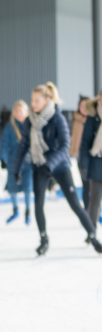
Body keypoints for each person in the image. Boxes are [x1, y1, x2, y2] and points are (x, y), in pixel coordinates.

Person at [16, 82, 102, 256]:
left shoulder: (57, 118)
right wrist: (15, 169)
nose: (32, 104)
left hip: (60, 166)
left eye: (36, 100)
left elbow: (64, 146)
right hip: (39, 166)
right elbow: (24, 145)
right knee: (38, 203)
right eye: (32, 100)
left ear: (47, 100)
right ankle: (43, 240)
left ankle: (92, 237)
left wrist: (51, 164)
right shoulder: (29, 121)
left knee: (75, 205)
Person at [0, 100, 33, 226]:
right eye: (16, 111)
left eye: (21, 111)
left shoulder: (31, 126)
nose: (18, 114)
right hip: (13, 163)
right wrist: (3, 158)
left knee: (27, 188)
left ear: (26, 112)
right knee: (12, 187)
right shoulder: (9, 127)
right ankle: (15, 210)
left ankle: (28, 212)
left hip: (28, 163)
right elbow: (4, 143)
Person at [77, 97, 102, 233]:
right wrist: (84, 166)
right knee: (95, 199)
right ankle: (92, 231)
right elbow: (85, 143)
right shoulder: (93, 118)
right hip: (96, 163)